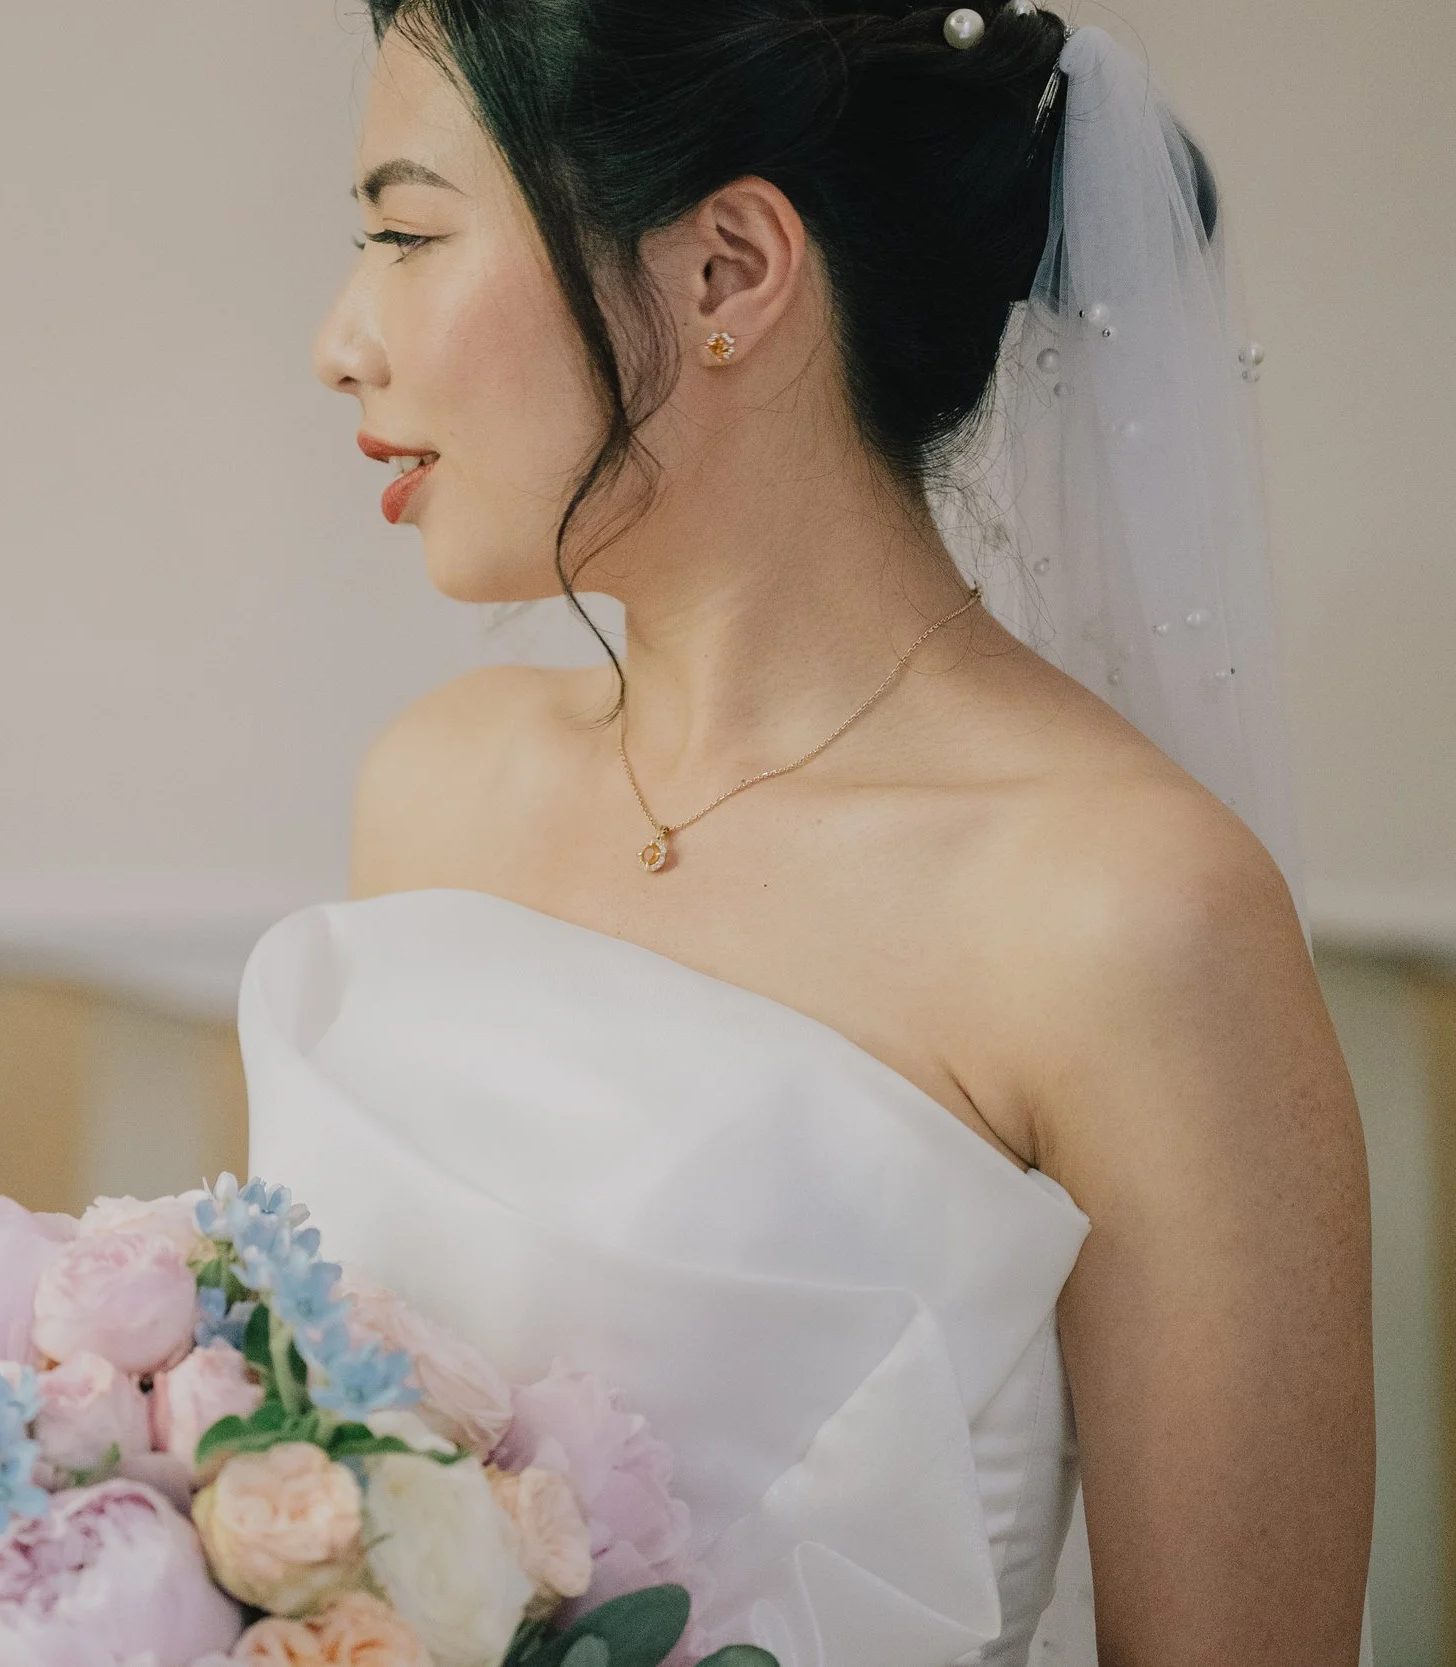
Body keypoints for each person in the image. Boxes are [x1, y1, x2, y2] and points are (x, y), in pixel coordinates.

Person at [240, 3, 1374, 1664]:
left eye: (409, 232)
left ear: (728, 271)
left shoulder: (1126, 913)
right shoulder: (432, 790)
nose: (342, 338)